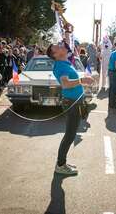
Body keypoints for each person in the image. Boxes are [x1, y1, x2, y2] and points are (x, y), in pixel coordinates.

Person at [46, 42, 94, 176]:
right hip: (71, 102)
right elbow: (65, 84)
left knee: (70, 134)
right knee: (70, 135)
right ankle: (60, 165)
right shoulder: (60, 65)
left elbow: (68, 47)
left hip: (74, 101)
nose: (61, 46)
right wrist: (82, 81)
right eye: (57, 47)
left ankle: (62, 163)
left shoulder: (65, 62)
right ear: (55, 54)